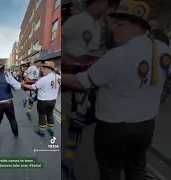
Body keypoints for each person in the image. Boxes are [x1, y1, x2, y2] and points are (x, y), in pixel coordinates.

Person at [63, 1, 168, 179]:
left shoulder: (117, 55)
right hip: (145, 127)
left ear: (138, 26)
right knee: (136, 171)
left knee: (110, 173)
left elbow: (81, 83)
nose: (114, 29)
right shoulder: (163, 49)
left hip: (113, 131)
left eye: (120, 24)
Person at [61, 0, 108, 178]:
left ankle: (68, 158)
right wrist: (75, 59)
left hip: (96, 76)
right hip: (81, 76)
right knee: (79, 118)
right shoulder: (77, 21)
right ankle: (68, 161)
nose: (106, 7)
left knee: (88, 117)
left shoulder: (98, 24)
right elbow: (62, 44)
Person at [22, 61, 61, 137]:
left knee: (42, 116)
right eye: (43, 68)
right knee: (50, 115)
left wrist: (24, 85)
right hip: (53, 101)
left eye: (44, 69)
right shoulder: (59, 77)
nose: (42, 70)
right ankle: (51, 130)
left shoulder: (44, 79)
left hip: (43, 101)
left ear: (50, 69)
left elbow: (33, 87)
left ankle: (41, 132)